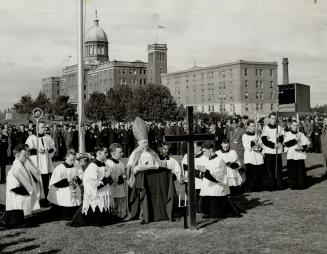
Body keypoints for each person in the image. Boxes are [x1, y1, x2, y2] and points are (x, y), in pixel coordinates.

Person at [69, 145, 118, 227]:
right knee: (94, 216)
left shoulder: (105, 165)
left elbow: (110, 180)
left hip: (104, 193)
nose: (107, 154)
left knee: (106, 217)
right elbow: (94, 185)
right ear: (99, 153)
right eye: (105, 152)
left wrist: (111, 177)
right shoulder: (92, 167)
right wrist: (106, 177)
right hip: (96, 195)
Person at [0, 144, 41, 228]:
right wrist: (29, 192)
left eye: (27, 154)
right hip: (18, 198)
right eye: (24, 154)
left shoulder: (24, 165)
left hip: (24, 193)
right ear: (17, 155)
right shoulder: (16, 168)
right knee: (18, 219)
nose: (27, 156)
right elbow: (14, 187)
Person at [197, 142, 241, 218]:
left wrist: (205, 171)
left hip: (217, 186)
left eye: (204, 151)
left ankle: (217, 213)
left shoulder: (219, 160)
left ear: (211, 150)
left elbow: (218, 175)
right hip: (208, 185)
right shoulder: (208, 159)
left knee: (216, 210)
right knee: (206, 199)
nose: (203, 153)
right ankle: (208, 213)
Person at [47, 149, 83, 220]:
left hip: (74, 188)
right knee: (67, 194)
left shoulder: (77, 166)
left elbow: (81, 177)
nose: (72, 161)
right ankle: (65, 213)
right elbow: (56, 183)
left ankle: (73, 211)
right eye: (71, 159)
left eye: (74, 159)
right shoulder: (60, 168)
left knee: (75, 193)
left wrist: (75, 179)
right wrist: (67, 181)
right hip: (63, 188)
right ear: (66, 157)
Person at [25, 122, 56, 204]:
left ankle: (46, 198)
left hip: (46, 163)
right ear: (37, 129)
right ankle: (38, 199)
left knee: (46, 181)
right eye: (42, 127)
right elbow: (27, 150)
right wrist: (37, 150)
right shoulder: (31, 138)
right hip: (37, 164)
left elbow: (53, 148)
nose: (44, 129)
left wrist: (50, 150)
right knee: (38, 182)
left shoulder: (48, 137)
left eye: (44, 127)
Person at [284, 120, 310, 189]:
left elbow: (307, 143)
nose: (295, 127)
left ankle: (301, 184)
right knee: (292, 171)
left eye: (296, 125)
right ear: (290, 126)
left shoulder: (301, 134)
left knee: (300, 170)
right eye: (294, 125)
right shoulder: (287, 134)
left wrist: (302, 148)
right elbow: (286, 144)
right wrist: (295, 140)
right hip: (291, 155)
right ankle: (293, 185)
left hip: (299, 155)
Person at [261, 112, 284, 190]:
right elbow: (264, 140)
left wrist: (280, 138)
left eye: (275, 119)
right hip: (269, 152)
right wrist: (274, 145)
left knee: (278, 169)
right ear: (269, 119)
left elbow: (282, 138)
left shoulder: (279, 128)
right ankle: (271, 185)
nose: (274, 120)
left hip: (277, 152)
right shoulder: (266, 128)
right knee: (269, 170)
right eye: (272, 118)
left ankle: (278, 184)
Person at [242, 120, 267, 191]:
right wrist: (253, 141)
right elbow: (246, 146)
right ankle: (250, 187)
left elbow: (261, 144)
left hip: (258, 155)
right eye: (252, 126)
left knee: (258, 172)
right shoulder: (245, 136)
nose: (254, 127)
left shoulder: (257, 135)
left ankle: (258, 186)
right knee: (251, 173)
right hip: (250, 157)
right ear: (248, 126)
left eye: (254, 126)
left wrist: (261, 148)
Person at [181, 141, 205, 212]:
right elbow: (184, 167)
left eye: (194, 147)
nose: (192, 149)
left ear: (200, 147)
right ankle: (194, 208)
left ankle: (199, 209)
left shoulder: (204, 157)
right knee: (191, 196)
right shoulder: (187, 155)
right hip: (189, 180)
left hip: (199, 182)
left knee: (199, 197)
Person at [105, 143, 127, 219]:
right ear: (113, 153)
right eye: (120, 152)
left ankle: (121, 215)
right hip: (112, 188)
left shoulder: (120, 163)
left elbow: (123, 174)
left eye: (122, 152)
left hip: (120, 187)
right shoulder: (108, 163)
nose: (122, 154)